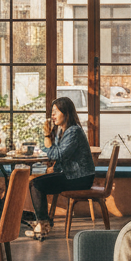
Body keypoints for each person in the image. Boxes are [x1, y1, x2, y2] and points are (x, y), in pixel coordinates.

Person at [30, 96, 94, 233]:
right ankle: (44, 222)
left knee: (36, 185)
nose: (52, 115)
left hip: (80, 178)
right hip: (72, 175)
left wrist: (47, 136)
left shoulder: (73, 131)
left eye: (56, 111)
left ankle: (43, 225)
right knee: (35, 183)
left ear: (66, 113)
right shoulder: (63, 131)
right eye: (52, 112)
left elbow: (57, 154)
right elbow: (60, 156)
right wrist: (54, 168)